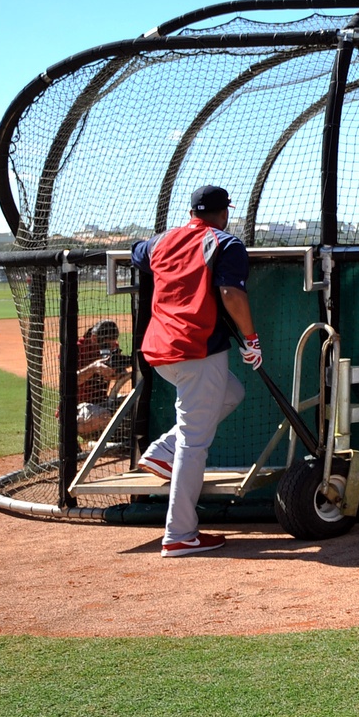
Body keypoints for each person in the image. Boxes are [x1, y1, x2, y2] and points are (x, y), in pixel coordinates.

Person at [130, 185, 259, 557]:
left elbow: (137, 250)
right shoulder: (226, 243)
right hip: (197, 350)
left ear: (192, 211)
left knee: (231, 392)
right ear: (224, 212)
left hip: (159, 351)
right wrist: (252, 339)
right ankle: (180, 533)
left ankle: (162, 450)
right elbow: (232, 295)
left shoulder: (161, 241)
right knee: (195, 442)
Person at [75, 319, 131, 438]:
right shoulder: (76, 349)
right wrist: (93, 368)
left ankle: (114, 440)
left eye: (113, 343)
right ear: (94, 338)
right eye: (107, 344)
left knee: (133, 403)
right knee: (104, 415)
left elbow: (118, 373)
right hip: (76, 410)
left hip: (102, 403)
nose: (111, 347)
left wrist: (118, 372)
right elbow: (67, 382)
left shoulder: (113, 348)